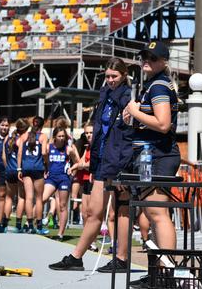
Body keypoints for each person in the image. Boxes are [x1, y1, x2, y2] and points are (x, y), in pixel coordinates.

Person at [49, 57, 133, 272]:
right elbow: (98, 129)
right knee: (93, 212)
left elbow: (128, 133)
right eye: (107, 76)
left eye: (114, 76)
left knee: (119, 212)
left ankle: (121, 258)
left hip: (118, 158)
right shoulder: (104, 95)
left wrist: (124, 166)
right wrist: (92, 159)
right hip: (101, 158)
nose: (110, 80)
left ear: (124, 76)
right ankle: (77, 257)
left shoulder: (127, 96)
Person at [123, 41, 181, 287]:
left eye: (153, 57)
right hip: (150, 154)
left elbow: (163, 123)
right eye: (144, 56)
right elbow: (149, 122)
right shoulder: (152, 84)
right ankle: (160, 270)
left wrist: (135, 112)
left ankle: (167, 273)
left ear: (163, 62)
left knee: (158, 214)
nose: (147, 60)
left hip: (159, 155)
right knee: (150, 213)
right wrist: (132, 118)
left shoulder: (158, 85)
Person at [43, 127, 80, 241]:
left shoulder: (68, 149)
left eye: (63, 136)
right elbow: (45, 159)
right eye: (59, 136)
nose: (61, 138)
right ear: (54, 137)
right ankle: (35, 224)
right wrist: (45, 170)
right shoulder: (49, 147)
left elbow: (77, 162)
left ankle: (60, 233)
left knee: (62, 205)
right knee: (42, 198)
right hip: (51, 178)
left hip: (64, 179)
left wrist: (72, 172)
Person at [17, 116, 49, 235]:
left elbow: (20, 152)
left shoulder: (25, 136)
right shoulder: (43, 136)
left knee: (28, 197)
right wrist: (47, 164)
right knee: (39, 198)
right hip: (37, 167)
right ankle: (39, 226)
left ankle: (30, 225)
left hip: (26, 168)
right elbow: (44, 152)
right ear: (42, 125)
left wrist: (19, 168)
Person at [69, 122, 97, 251]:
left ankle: (94, 240)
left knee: (93, 213)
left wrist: (79, 166)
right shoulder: (87, 147)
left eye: (91, 132)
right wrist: (75, 160)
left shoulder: (97, 147)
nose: (89, 135)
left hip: (95, 181)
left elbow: (91, 163)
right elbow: (81, 162)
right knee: (85, 213)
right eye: (86, 133)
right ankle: (88, 240)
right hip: (85, 180)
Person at [2, 118, 28, 233]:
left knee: (9, 197)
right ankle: (18, 224)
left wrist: (7, 166)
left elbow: (3, 155)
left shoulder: (8, 138)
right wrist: (19, 169)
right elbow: (20, 156)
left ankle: (5, 223)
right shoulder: (21, 139)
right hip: (18, 170)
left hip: (9, 170)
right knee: (21, 197)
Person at [0, 117, 10, 233]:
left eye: (6, 125)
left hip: (6, 169)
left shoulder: (11, 139)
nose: (4, 127)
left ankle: (1, 221)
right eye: (2, 125)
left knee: (2, 195)